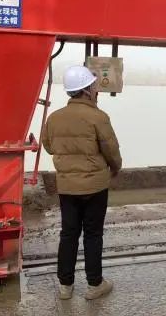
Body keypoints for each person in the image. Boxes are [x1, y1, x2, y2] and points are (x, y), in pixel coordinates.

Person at [42, 65, 122, 301]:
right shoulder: (98, 117)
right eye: (93, 86)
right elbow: (111, 151)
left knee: (68, 234)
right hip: (95, 187)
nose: (96, 89)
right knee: (93, 234)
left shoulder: (54, 118)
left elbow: (49, 147)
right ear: (87, 90)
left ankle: (65, 286)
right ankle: (95, 284)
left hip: (67, 186)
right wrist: (115, 168)